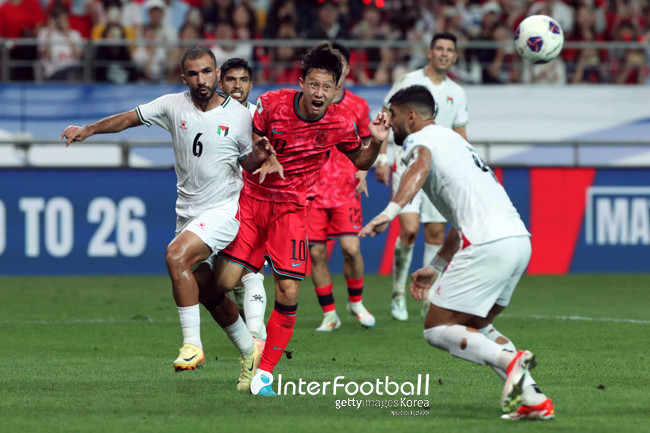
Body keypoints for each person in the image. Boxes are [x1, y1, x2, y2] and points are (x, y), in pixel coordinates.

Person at [60, 46, 274, 391]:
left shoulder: (239, 116)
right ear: (183, 77)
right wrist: (88, 129)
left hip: (224, 210)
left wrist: (259, 157)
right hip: (188, 212)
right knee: (209, 294)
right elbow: (128, 117)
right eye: (193, 74)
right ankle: (251, 353)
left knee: (175, 256)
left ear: (217, 75)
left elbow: (246, 164)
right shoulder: (173, 105)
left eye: (206, 72)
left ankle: (193, 345)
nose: (201, 80)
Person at [360, 85, 554, 421]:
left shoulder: (420, 143)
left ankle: (511, 361)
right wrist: (435, 266)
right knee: (476, 324)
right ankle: (533, 397)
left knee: (436, 328)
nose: (389, 123)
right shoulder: (457, 143)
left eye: (392, 115)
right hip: (518, 241)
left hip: (488, 244)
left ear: (410, 116)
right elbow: (458, 219)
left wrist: (390, 212)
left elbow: (418, 167)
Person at [203, 41, 386, 396]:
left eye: (327, 87)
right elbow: (252, 139)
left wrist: (376, 143)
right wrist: (263, 152)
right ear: (302, 82)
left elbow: (361, 161)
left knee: (288, 290)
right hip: (253, 204)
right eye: (314, 84)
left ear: (336, 90)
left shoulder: (340, 123)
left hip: (292, 211)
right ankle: (248, 339)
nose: (319, 93)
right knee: (220, 284)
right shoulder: (272, 104)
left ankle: (265, 375)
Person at [375, 32, 469, 322]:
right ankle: (398, 295)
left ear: (454, 56)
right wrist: (381, 156)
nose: (444, 53)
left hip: (439, 171)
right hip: (408, 163)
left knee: (436, 234)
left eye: (449, 50)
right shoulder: (409, 81)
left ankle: (429, 296)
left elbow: (460, 135)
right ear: (429, 52)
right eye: (439, 48)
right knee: (410, 231)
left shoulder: (458, 92)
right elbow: (385, 116)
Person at [309, 42, 375, 332]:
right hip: (310, 189)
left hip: (345, 187)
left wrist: (364, 170)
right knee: (316, 253)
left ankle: (356, 302)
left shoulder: (358, 106)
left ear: (346, 70)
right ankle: (329, 313)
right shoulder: (308, 103)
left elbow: (367, 143)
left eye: (340, 64)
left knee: (350, 248)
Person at [215, 57, 268, 352]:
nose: (237, 85)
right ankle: (254, 339)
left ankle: (256, 338)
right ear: (221, 83)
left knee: (251, 272)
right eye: (231, 80)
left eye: (243, 80)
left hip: (254, 204)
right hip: (221, 205)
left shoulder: (260, 117)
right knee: (227, 280)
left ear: (251, 84)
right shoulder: (211, 115)